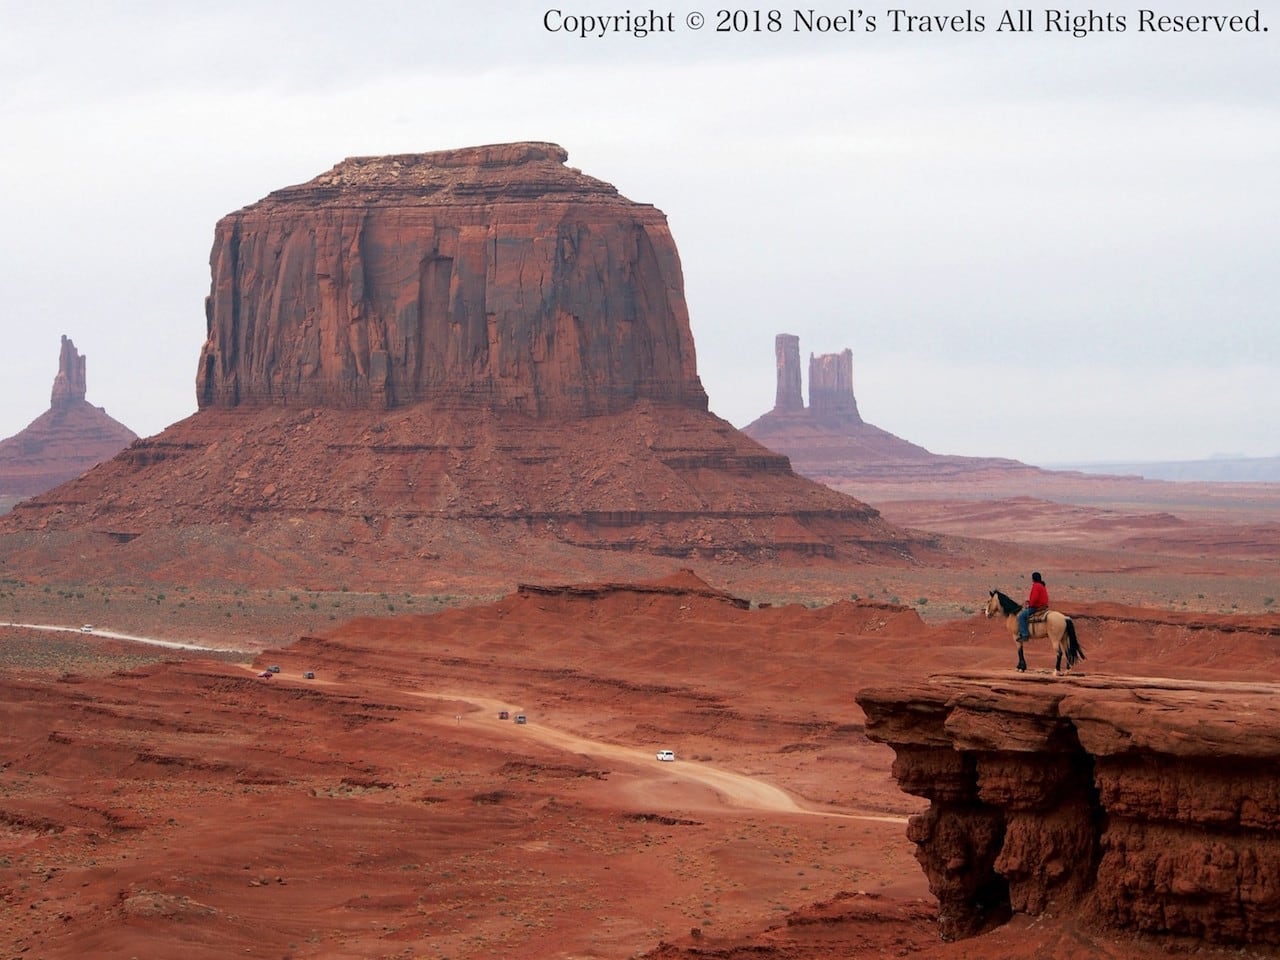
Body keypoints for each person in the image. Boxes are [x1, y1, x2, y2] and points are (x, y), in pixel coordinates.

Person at [1017, 571, 1049, 641]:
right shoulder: (1041, 585)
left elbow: (1035, 598)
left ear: (1033, 579)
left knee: (1021, 616)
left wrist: (1030, 605)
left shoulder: (1036, 586)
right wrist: (1029, 602)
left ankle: (1025, 634)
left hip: (1037, 607)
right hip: (1043, 605)